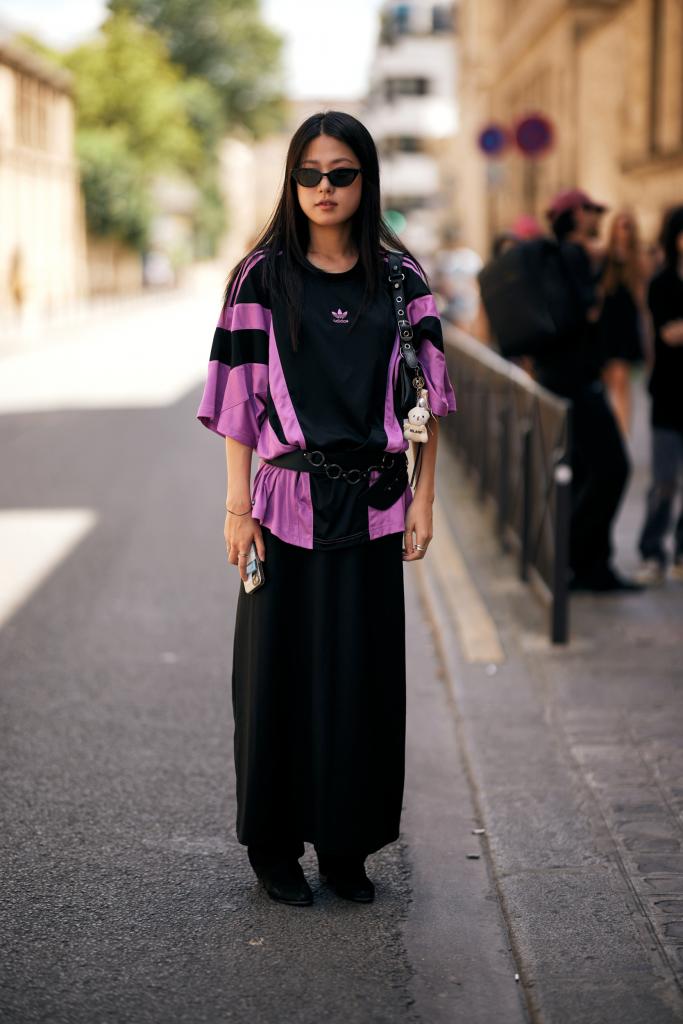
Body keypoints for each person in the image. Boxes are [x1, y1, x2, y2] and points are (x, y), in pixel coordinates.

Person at [195, 110, 457, 907]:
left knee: (361, 680)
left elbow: (428, 401)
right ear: (291, 180)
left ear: (365, 179)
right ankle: (273, 846)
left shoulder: (403, 280)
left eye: (340, 173)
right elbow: (237, 400)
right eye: (309, 173)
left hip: (375, 503)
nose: (323, 188)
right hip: (280, 504)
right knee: (275, 677)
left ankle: (347, 847)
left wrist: (423, 499)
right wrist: (237, 508)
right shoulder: (260, 278)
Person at [536, 189, 641, 592]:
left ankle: (591, 567)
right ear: (578, 214)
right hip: (577, 383)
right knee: (614, 469)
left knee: (585, 475)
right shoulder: (575, 256)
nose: (598, 218)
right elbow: (581, 313)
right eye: (594, 211)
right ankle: (572, 558)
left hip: (558, 381)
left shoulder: (553, 256)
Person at [636, 205, 683, 584]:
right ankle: (652, 551)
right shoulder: (662, 282)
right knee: (664, 480)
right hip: (669, 394)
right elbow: (668, 335)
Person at [598, 210, 650, 436]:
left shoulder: (637, 260)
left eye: (627, 226)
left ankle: (621, 432)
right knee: (608, 381)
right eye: (620, 226)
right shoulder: (604, 258)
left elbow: (642, 300)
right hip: (606, 325)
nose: (623, 231)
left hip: (625, 325)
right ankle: (612, 431)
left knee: (621, 382)